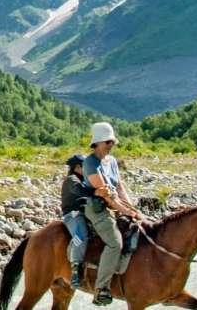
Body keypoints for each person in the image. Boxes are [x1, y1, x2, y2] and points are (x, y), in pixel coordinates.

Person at [82, 122, 142, 306]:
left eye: (112, 142)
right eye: (108, 142)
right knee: (115, 243)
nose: (111, 145)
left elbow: (119, 188)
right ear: (98, 142)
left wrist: (133, 208)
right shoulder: (90, 163)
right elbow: (106, 194)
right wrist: (125, 211)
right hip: (98, 208)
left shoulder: (112, 161)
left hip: (116, 205)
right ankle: (101, 288)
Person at [61, 154, 90, 288]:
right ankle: (75, 270)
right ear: (78, 167)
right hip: (73, 215)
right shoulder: (71, 179)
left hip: (86, 213)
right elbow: (80, 191)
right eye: (86, 166)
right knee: (81, 237)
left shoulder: (83, 179)